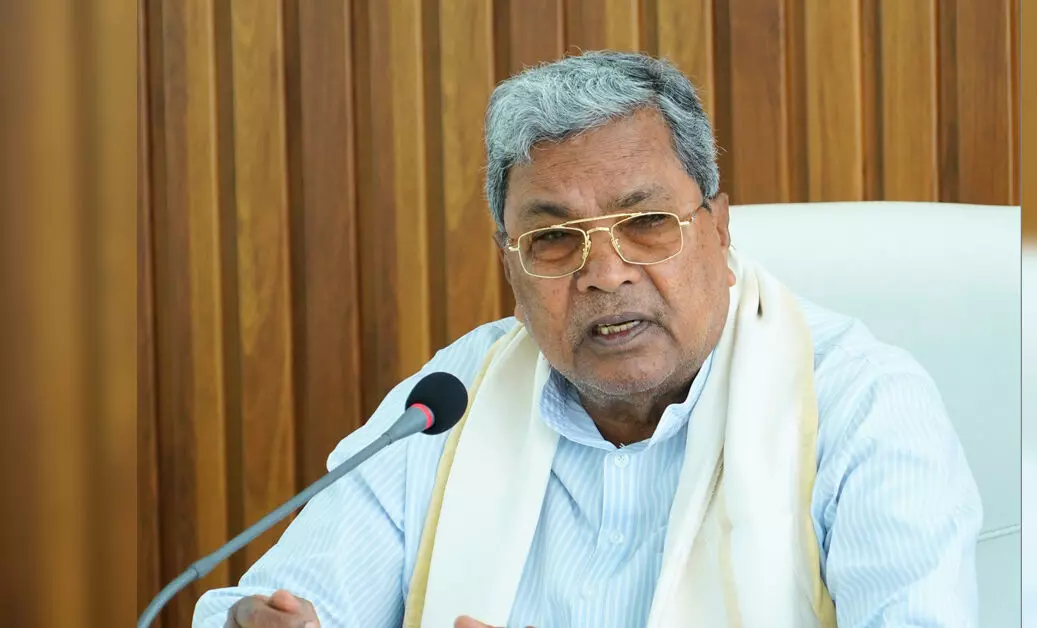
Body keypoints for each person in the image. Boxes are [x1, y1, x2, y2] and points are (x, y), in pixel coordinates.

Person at [195, 51, 981, 628]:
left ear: (719, 228)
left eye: (646, 224)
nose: (604, 274)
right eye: (552, 240)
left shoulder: (861, 405)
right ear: (510, 264)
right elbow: (285, 597)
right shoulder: (451, 400)